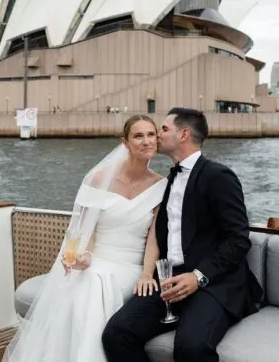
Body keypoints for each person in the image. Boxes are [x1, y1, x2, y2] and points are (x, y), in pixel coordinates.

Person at [102, 107, 264, 362]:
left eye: (164, 129)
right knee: (116, 333)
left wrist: (198, 277)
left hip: (212, 283)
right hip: (169, 281)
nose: (157, 133)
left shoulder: (218, 176)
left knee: (191, 348)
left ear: (184, 134)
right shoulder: (168, 181)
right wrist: (149, 273)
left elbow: (238, 239)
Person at [2, 115, 168, 362]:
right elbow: (85, 231)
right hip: (97, 259)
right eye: (138, 136)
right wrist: (83, 255)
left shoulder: (161, 186)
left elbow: (154, 238)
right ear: (125, 142)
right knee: (88, 278)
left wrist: (146, 274)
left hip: (130, 266)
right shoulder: (99, 179)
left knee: (91, 282)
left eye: (151, 135)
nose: (146, 141)